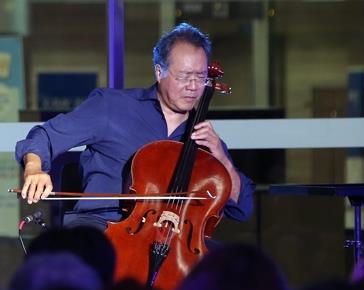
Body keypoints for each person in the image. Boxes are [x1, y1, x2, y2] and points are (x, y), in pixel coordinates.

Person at [15, 22, 255, 231]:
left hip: (173, 241)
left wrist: (221, 158)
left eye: (201, 77)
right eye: (183, 76)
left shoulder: (203, 138)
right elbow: (45, 136)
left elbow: (242, 208)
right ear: (159, 71)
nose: (193, 86)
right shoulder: (112, 107)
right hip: (101, 228)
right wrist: (35, 168)